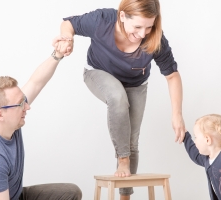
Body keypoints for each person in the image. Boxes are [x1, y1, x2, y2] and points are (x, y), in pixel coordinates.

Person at [53, 0, 185, 199]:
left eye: (149, 27)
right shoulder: (102, 21)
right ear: (122, 16)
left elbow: (172, 75)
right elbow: (69, 23)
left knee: (132, 141)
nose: (142, 34)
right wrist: (67, 38)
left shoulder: (156, 38)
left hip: (136, 84)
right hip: (97, 72)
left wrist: (177, 114)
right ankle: (122, 159)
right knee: (117, 97)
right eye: (138, 27)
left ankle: (125, 196)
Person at [0, 41, 82, 200]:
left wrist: (57, 54)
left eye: (24, 101)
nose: (27, 107)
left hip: (15, 195)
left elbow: (36, 83)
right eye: (20, 104)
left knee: (70, 192)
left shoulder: (6, 120)